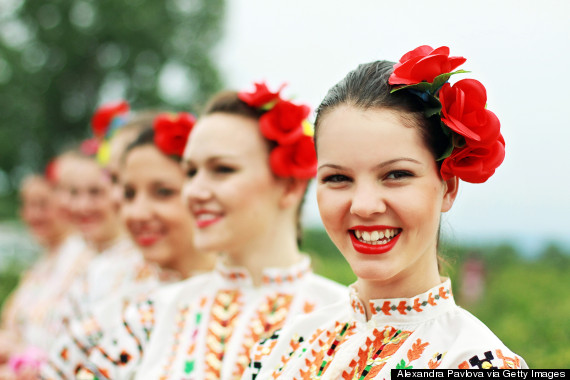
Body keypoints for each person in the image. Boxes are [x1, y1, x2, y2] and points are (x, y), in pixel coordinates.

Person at [244, 46, 527, 378]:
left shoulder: (476, 364)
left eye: (396, 175)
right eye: (338, 178)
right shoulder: (280, 350)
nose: (364, 206)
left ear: (447, 187)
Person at [79, 83, 348, 379]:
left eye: (222, 169)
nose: (194, 191)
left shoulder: (344, 320)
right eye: (191, 172)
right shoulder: (154, 316)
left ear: (290, 185)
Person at [41, 112, 217, 379]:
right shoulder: (123, 298)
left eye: (163, 192)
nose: (137, 212)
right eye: (128, 192)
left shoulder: (237, 302)